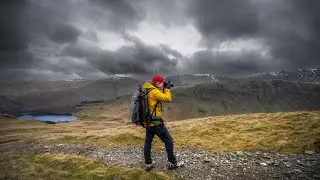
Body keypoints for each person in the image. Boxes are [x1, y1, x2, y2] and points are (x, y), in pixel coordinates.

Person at [142, 74, 184, 171]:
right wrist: (167, 89)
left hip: (148, 122)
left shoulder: (147, 89)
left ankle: (148, 163)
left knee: (148, 142)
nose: (164, 83)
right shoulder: (154, 92)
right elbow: (168, 99)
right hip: (156, 123)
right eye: (162, 82)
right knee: (168, 141)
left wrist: (162, 88)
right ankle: (172, 163)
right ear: (157, 83)